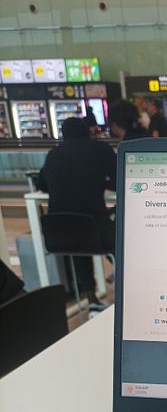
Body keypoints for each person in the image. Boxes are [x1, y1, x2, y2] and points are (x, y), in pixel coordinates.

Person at [38, 116, 116, 305]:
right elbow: (119, 178)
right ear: (87, 132)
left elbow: (42, 184)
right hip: (95, 230)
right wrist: (101, 183)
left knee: (80, 245)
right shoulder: (99, 150)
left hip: (60, 234)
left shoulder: (53, 154)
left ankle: (90, 296)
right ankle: (127, 277)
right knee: (119, 235)